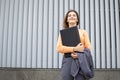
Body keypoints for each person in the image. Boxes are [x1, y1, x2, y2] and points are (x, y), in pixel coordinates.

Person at [56, 10, 92, 80]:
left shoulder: (83, 32)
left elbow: (89, 48)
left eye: (74, 15)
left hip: (81, 60)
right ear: (67, 20)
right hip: (68, 60)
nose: (72, 16)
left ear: (77, 19)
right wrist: (75, 49)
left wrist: (78, 55)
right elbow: (59, 48)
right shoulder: (63, 33)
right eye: (69, 15)